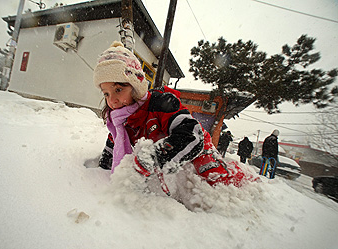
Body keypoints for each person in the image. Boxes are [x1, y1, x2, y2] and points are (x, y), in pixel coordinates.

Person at [94, 41, 253, 194]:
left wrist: (152, 157)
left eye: (118, 89)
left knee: (216, 181)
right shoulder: (119, 124)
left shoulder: (161, 103)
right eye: (106, 93)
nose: (112, 101)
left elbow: (192, 136)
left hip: (199, 151)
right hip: (171, 161)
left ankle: (247, 185)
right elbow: (111, 151)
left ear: (136, 86)